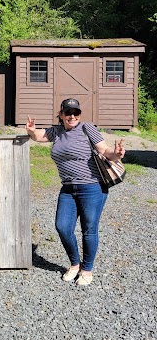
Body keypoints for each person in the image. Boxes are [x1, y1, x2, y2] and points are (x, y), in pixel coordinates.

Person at [25, 98, 125, 285]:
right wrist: (31, 131)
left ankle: (87, 270)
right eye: (68, 113)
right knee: (62, 227)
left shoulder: (87, 128)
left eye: (76, 113)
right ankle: (74, 264)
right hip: (68, 188)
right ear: (61, 114)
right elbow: (38, 136)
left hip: (92, 187)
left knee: (89, 229)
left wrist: (117, 154)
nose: (72, 116)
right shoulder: (57, 131)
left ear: (79, 114)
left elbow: (104, 150)